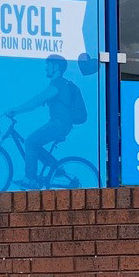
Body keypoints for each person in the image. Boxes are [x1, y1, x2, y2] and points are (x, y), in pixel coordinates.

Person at [8, 54, 86, 187]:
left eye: (48, 65)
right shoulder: (61, 83)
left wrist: (16, 110)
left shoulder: (58, 83)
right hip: (60, 124)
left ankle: (30, 179)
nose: (46, 68)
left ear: (56, 67)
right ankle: (57, 168)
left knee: (30, 142)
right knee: (34, 144)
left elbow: (37, 101)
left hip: (59, 124)